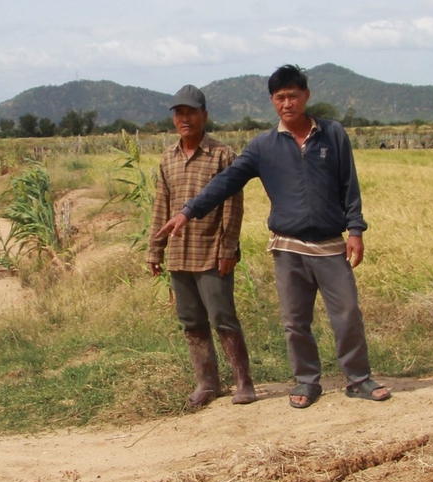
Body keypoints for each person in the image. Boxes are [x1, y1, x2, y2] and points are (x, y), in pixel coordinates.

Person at [155, 65, 386, 408]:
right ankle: (307, 381)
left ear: (306, 96)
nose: (287, 103)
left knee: (347, 312)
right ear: (272, 102)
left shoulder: (333, 134)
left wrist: (355, 230)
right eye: (280, 97)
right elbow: (226, 183)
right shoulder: (263, 145)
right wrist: (188, 211)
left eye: (293, 95)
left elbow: (349, 186)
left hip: (330, 244)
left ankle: (358, 379)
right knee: (295, 321)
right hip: (288, 246)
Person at [148, 85, 254, 407]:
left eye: (191, 112)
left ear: (204, 115)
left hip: (211, 253)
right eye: (179, 113)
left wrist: (228, 250)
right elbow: (161, 207)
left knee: (223, 317)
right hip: (179, 256)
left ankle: (243, 383)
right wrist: (155, 250)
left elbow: (233, 208)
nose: (185, 118)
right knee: (191, 321)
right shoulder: (168, 158)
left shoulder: (223, 155)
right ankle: (207, 384)